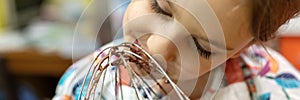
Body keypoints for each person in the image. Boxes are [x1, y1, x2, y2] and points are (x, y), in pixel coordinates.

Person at [53, 0, 300, 99]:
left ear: (242, 47)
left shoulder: (278, 88)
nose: (157, 48)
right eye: (158, 7)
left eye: (201, 47)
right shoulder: (86, 84)